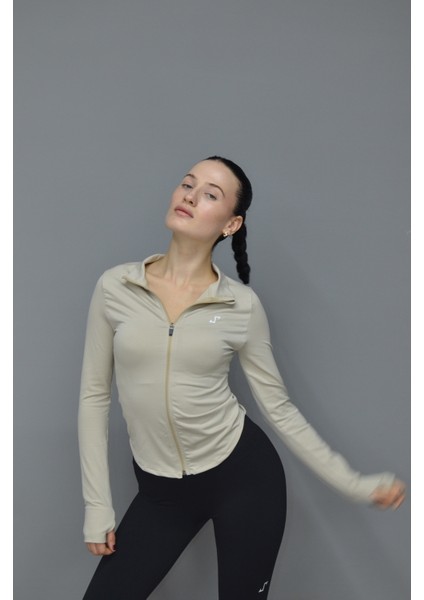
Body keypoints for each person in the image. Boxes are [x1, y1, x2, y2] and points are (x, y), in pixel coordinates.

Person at [78, 156, 406, 599]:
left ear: (231, 224)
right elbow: (94, 397)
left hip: (243, 480)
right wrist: (97, 505)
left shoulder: (241, 305)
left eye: (210, 194)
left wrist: (355, 484)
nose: (191, 196)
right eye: (188, 184)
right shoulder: (116, 287)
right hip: (160, 492)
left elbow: (279, 409)